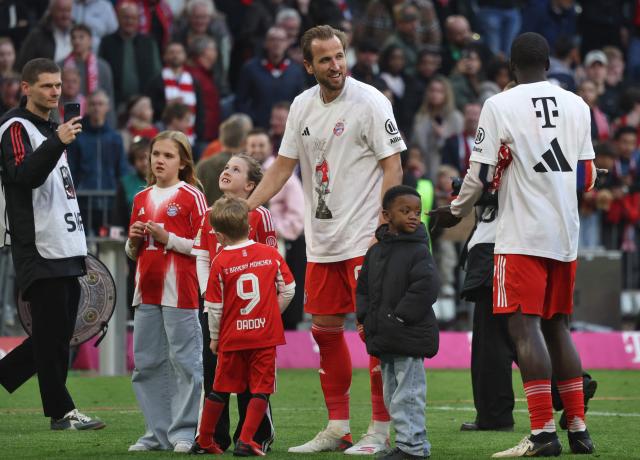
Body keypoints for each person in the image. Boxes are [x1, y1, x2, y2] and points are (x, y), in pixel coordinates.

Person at [430, 32, 596, 456]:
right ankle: (577, 428)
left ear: (509, 65)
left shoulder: (499, 104)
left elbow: (480, 173)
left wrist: (455, 209)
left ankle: (542, 434)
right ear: (549, 62)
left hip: (521, 233)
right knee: (558, 325)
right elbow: (588, 178)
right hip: (565, 234)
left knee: (524, 327)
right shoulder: (578, 104)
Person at [246, 25, 405, 455]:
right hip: (322, 241)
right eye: (326, 59)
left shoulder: (371, 101)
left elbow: (394, 166)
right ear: (308, 65)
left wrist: (382, 228)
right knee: (326, 332)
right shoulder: (301, 105)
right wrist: (247, 208)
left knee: (373, 335)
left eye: (339, 56)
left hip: (363, 240)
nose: (336, 65)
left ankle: (378, 431)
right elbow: (282, 168)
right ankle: (338, 427)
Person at [0, 58, 104, 430]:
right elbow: (22, 175)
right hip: (38, 245)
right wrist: (56, 142)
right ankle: (61, 412)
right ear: (25, 88)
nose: (55, 92)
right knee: (53, 335)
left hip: (65, 243)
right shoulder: (15, 126)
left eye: (58, 85)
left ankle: (7, 373)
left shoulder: (53, 128)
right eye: (47, 85)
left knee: (57, 335)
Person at [190, 196, 295, 456]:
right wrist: (270, 314)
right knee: (260, 388)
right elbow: (290, 289)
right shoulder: (270, 254)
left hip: (232, 337)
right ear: (249, 228)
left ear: (220, 237)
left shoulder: (220, 262)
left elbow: (214, 307)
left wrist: (214, 338)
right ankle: (247, 440)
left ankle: (204, 440)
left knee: (220, 388)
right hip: (264, 336)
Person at [125, 130, 207, 453]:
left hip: (181, 291)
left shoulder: (192, 196)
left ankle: (185, 432)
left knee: (185, 362)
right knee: (146, 364)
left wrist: (167, 238)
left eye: (168, 155)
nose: (159, 160)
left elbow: (205, 247)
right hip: (145, 291)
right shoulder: (140, 198)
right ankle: (156, 433)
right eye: (155, 154)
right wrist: (133, 241)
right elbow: (134, 253)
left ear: (183, 162)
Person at [356, 185, 439, 460]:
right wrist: (364, 319)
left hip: (408, 336)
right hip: (386, 337)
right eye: (405, 211)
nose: (413, 216)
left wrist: (400, 317)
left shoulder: (419, 251)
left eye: (416, 212)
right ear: (386, 215)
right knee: (393, 395)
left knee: (409, 395)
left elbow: (426, 288)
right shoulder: (375, 252)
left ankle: (412, 448)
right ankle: (411, 444)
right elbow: (365, 289)